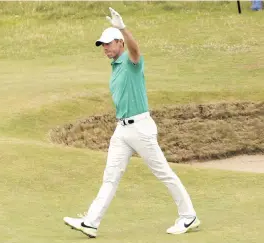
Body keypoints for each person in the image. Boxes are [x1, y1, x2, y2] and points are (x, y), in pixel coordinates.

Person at [63, 7, 200, 238]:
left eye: (109, 43)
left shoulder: (130, 61)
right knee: (110, 177)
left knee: (163, 173)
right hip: (122, 131)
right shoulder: (115, 67)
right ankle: (91, 222)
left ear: (120, 43)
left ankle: (189, 217)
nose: (105, 48)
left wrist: (123, 28)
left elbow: (136, 50)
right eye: (102, 45)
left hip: (141, 128)